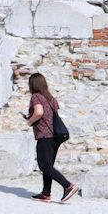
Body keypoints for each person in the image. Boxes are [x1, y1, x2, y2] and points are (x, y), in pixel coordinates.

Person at [24, 73, 76, 203]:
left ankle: (68, 186)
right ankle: (46, 194)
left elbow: (39, 112)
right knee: (48, 165)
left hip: (45, 135)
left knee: (44, 166)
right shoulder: (50, 98)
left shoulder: (36, 97)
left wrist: (29, 121)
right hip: (55, 136)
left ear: (33, 84)